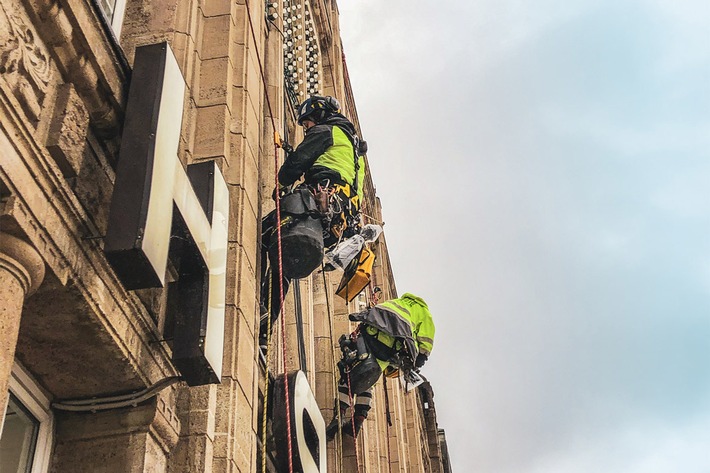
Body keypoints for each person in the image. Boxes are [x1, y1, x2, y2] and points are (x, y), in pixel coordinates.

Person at [260, 95, 367, 346]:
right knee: (285, 260)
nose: (306, 128)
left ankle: (261, 313)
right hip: (335, 220)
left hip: (316, 202)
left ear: (318, 116)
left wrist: (280, 183)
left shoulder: (327, 131)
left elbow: (300, 160)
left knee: (265, 231)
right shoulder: (355, 155)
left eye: (306, 123)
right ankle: (265, 326)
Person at [326, 293, 435, 439]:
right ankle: (358, 420)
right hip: (388, 348)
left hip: (370, 336)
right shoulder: (424, 313)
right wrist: (418, 360)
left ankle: (339, 414)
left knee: (350, 372)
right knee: (369, 378)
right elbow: (426, 342)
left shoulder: (397, 302)